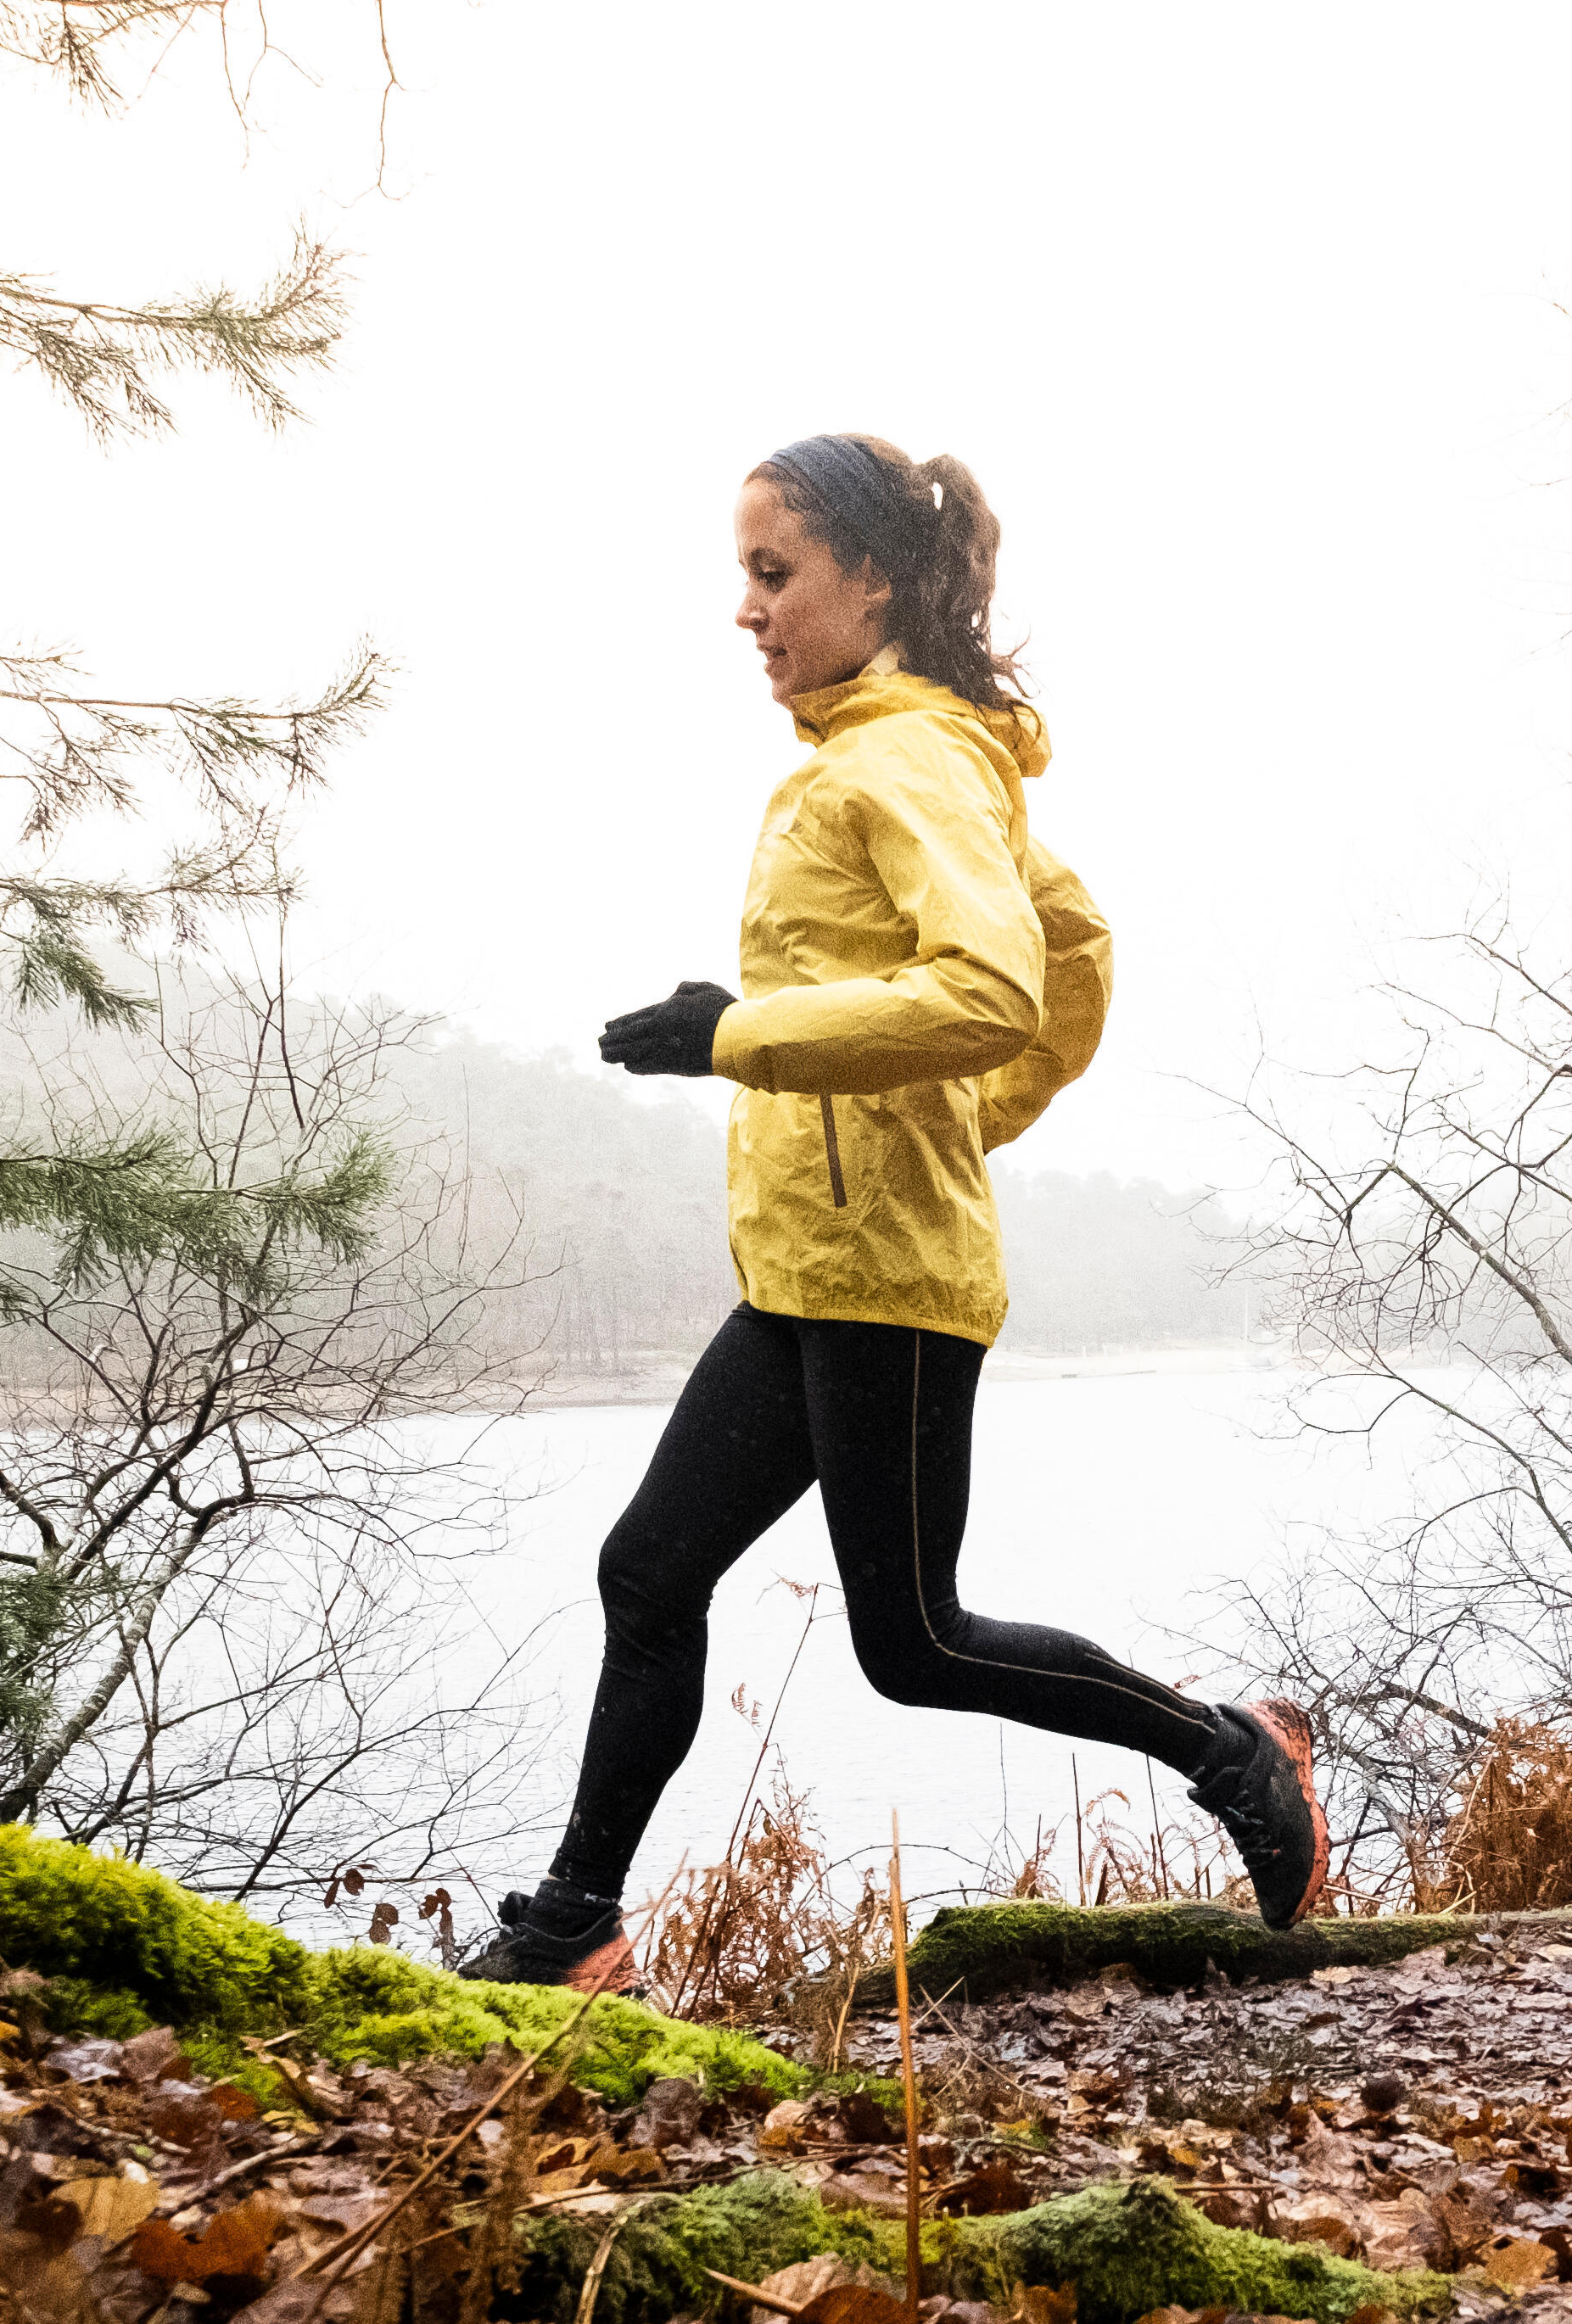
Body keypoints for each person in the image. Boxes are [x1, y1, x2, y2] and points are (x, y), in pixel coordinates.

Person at [459, 433, 1327, 1995]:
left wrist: (747, 1041)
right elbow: (1078, 942)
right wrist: (955, 1118)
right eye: (745, 574)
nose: (747, 608)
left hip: (891, 1282)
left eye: (773, 573)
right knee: (647, 1573)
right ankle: (577, 1919)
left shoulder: (911, 757)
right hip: (804, 1267)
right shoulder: (878, 755)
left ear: (874, 578)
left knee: (913, 1644)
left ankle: (1233, 1749)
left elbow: (998, 984)